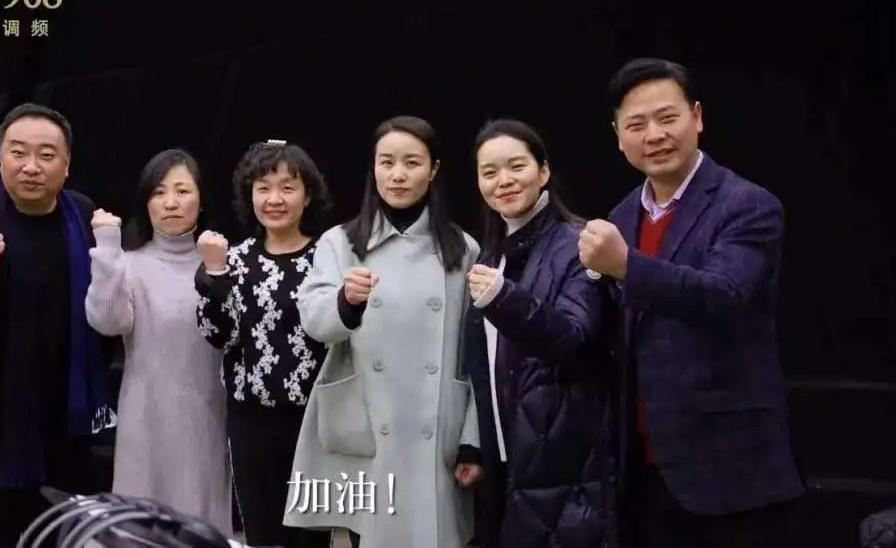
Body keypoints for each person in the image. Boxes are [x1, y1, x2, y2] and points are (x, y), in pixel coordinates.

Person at [579, 58, 804, 547]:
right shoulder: (622, 216)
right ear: (618, 136)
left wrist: (626, 266)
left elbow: (725, 295)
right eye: (636, 125)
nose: (654, 135)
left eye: (667, 118)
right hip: (645, 466)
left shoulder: (747, 204)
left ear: (697, 117)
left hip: (731, 469)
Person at [284, 116, 483, 548]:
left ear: (433, 170)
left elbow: (476, 355)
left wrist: (471, 439)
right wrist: (345, 302)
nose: (398, 174)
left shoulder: (462, 249)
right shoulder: (340, 242)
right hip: (368, 425)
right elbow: (314, 322)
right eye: (387, 162)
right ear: (372, 168)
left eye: (412, 162)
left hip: (437, 430)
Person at [0, 102, 116, 547]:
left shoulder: (84, 216)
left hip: (66, 414)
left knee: (64, 533)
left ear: (66, 164)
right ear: (1, 158)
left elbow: (107, 303)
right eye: (18, 152)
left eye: (46, 154)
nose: (31, 166)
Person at [464, 119, 617, 547]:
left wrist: (504, 298)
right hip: (503, 461)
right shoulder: (490, 256)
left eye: (516, 166)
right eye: (489, 172)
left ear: (543, 171)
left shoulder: (579, 244)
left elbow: (573, 337)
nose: (503, 181)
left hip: (565, 461)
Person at [84, 149, 233, 536]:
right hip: (145, 417)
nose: (171, 203)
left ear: (201, 200)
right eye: (159, 192)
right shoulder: (130, 264)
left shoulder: (221, 263)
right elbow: (106, 321)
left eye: (182, 191)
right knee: (141, 528)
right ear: (145, 203)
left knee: (200, 528)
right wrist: (107, 249)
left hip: (205, 417)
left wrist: (218, 270)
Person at [194, 139, 333, 548]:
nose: (275, 199)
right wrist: (214, 276)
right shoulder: (233, 259)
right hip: (250, 420)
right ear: (249, 195)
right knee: (262, 533)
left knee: (310, 534)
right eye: (263, 188)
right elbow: (217, 335)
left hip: (314, 420)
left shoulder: (328, 258)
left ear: (307, 195)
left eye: (288, 187)